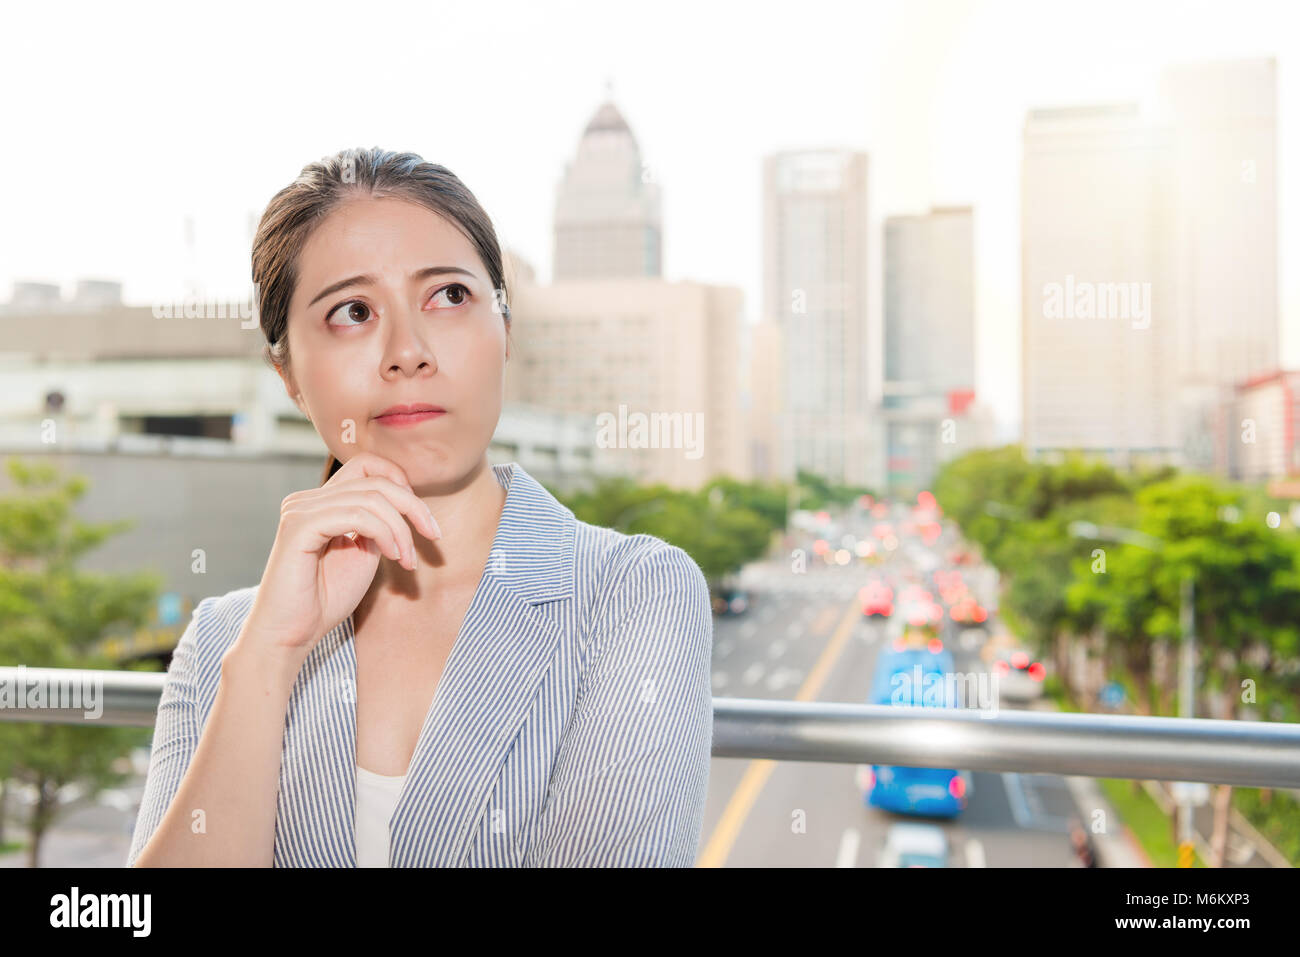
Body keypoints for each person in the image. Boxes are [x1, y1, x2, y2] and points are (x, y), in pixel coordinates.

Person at [127, 147, 714, 867]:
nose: (407, 351)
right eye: (351, 311)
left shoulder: (633, 594)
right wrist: (269, 658)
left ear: (506, 332)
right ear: (288, 376)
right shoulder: (226, 639)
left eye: (449, 296)